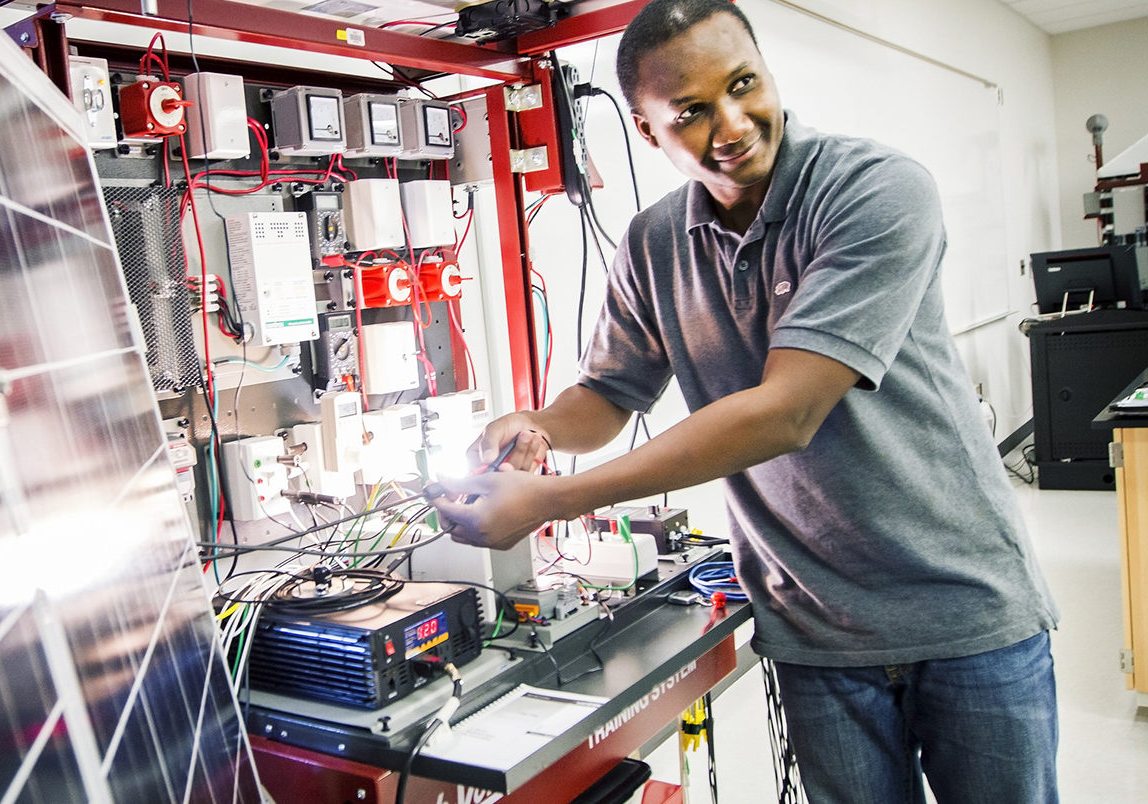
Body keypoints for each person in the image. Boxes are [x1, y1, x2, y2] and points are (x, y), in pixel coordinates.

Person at [428, 1, 1061, 801]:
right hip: (815, 632)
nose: (731, 124)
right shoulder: (655, 241)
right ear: (647, 130)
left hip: (962, 611)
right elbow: (608, 392)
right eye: (691, 111)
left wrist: (549, 498)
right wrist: (539, 426)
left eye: (743, 85)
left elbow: (786, 411)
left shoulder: (874, 190)